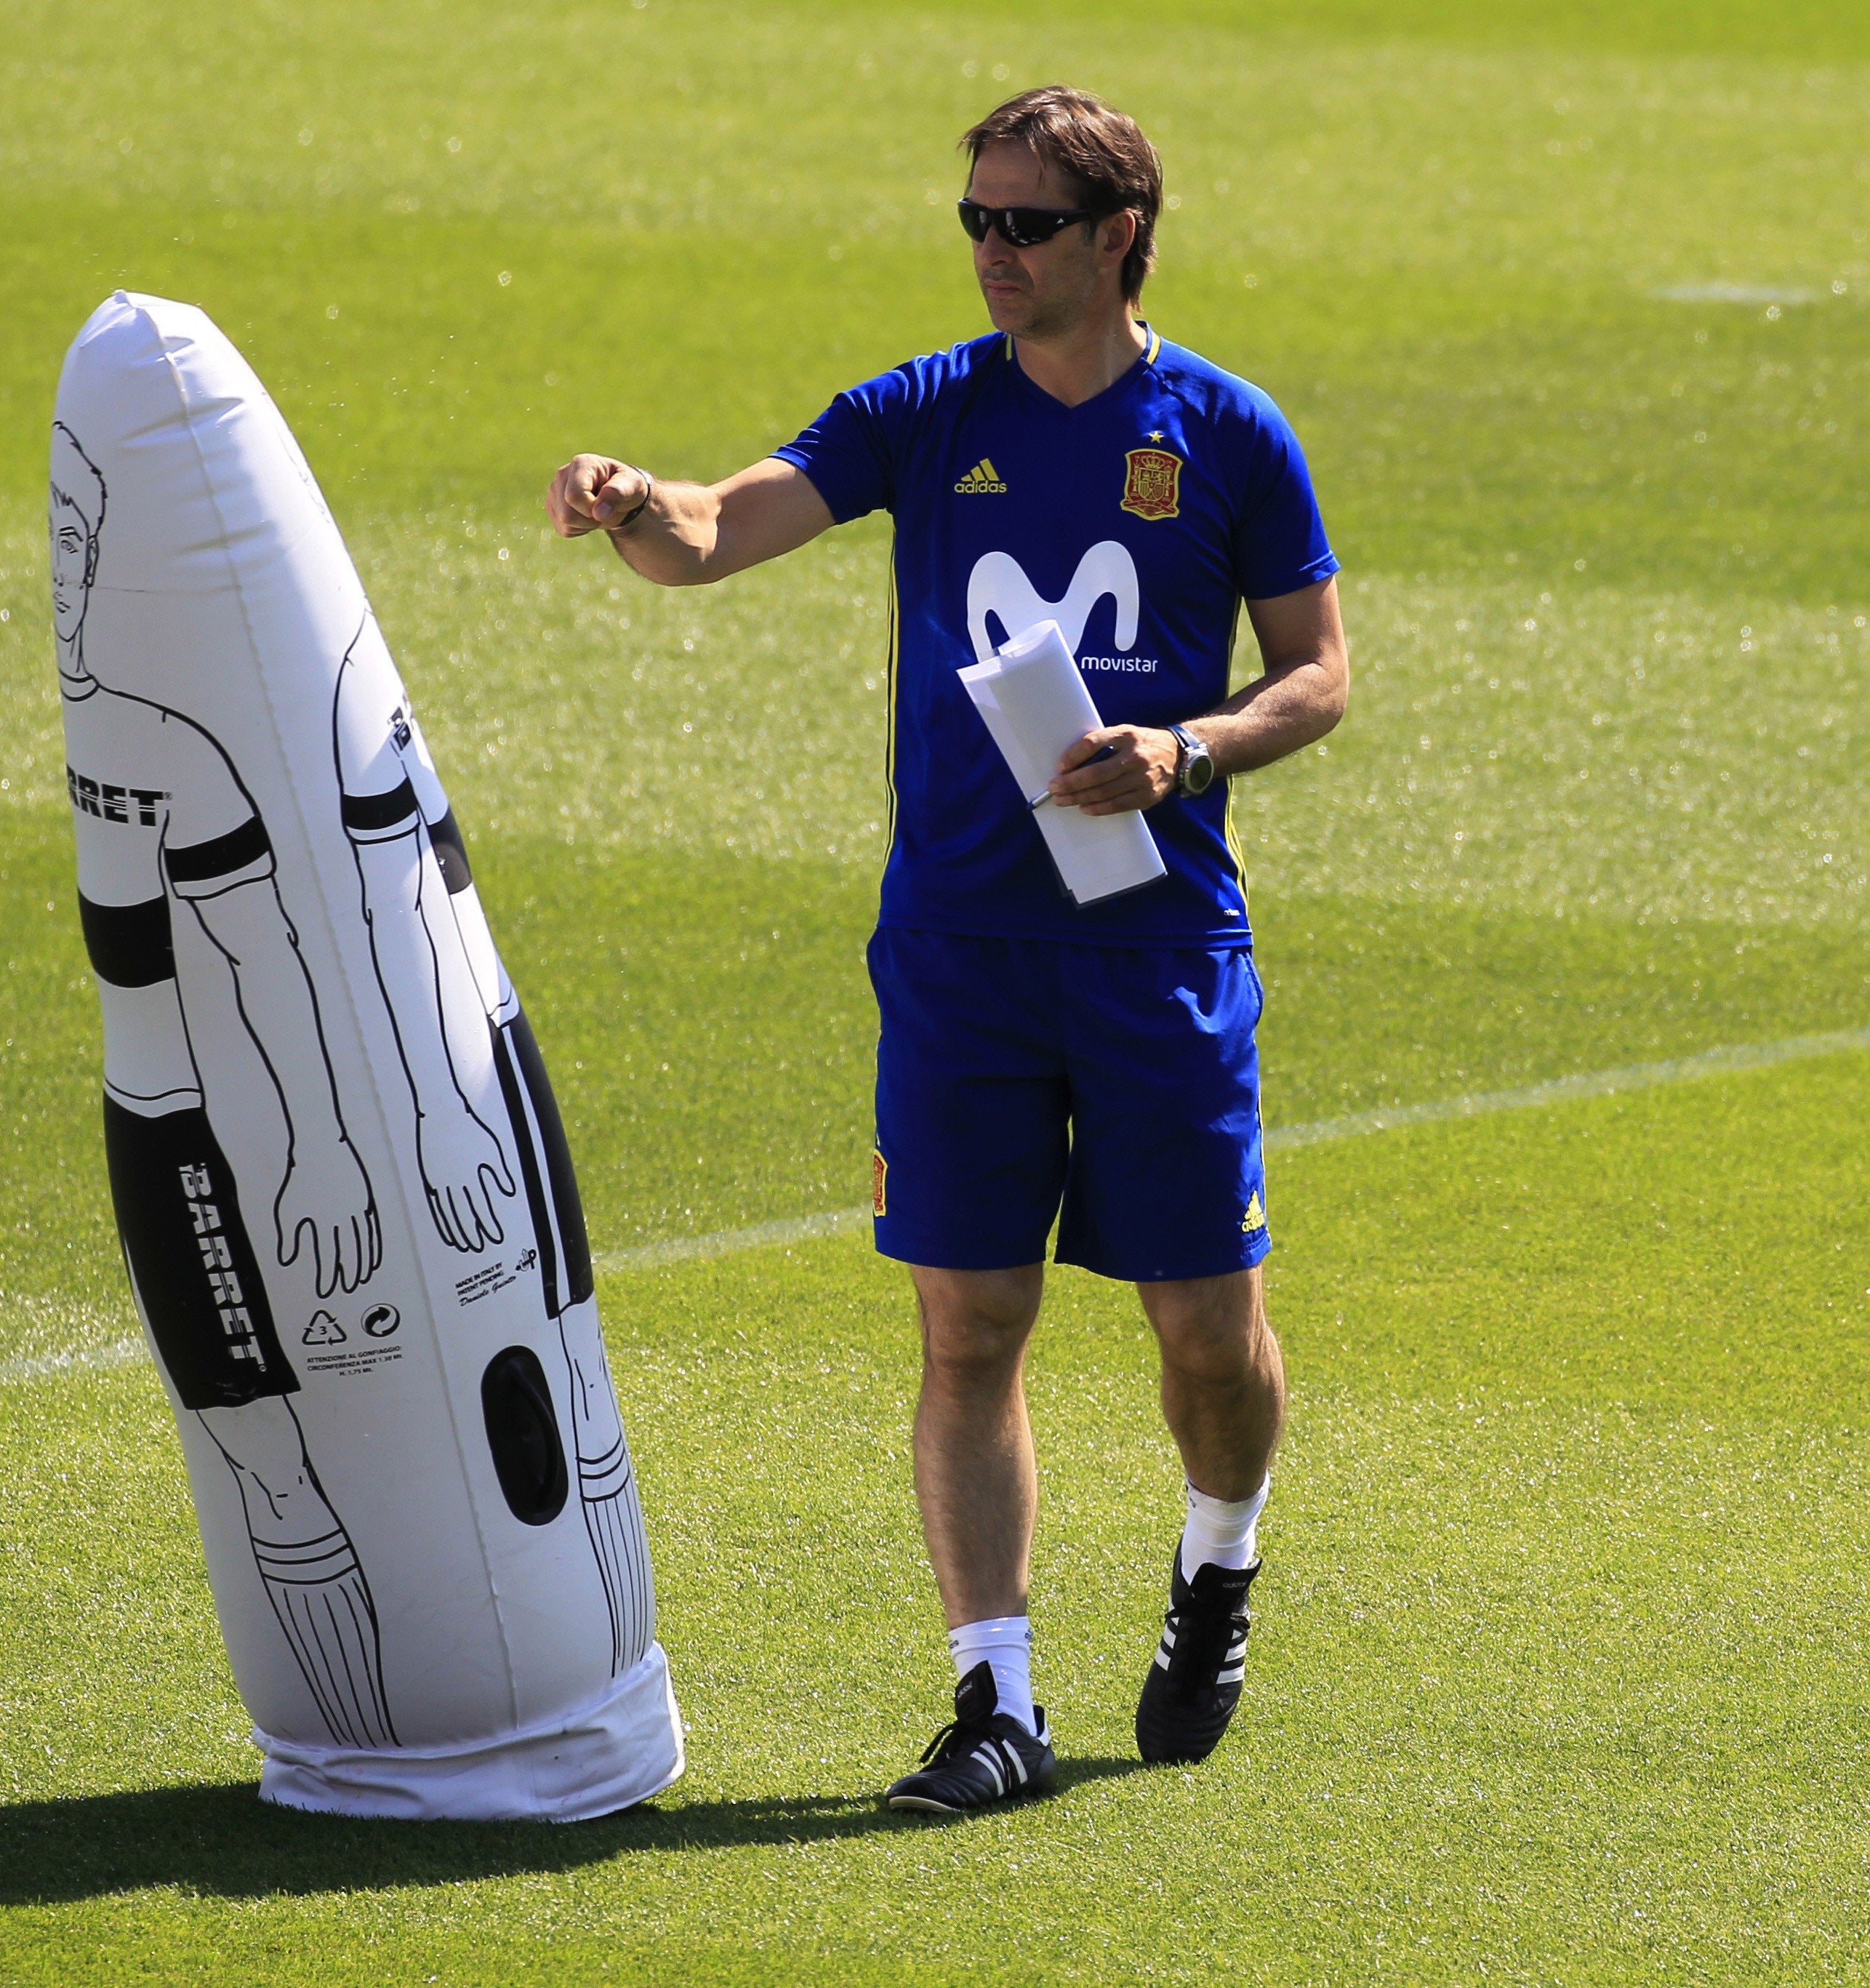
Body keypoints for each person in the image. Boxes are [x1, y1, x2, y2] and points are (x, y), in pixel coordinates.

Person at [543, 85, 1346, 1814]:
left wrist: (1186, 749)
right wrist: (629, 502)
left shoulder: (1224, 429)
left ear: (1121, 232)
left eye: (1026, 224)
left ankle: (1220, 1557)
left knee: (1206, 1332)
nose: (992, 251)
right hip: (964, 953)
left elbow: (1318, 673)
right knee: (970, 1321)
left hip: (1154, 947)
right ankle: (997, 1702)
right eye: (974, 220)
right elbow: (716, 529)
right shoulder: (922, 413)